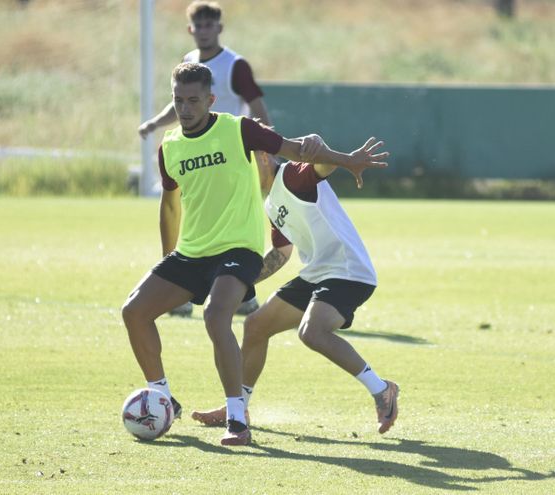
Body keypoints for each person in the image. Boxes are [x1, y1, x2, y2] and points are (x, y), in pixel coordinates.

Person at [121, 62, 388, 446]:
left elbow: (303, 155)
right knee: (146, 313)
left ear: (210, 100)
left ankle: (238, 418)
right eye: (178, 100)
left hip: (291, 260)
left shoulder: (258, 147)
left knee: (241, 319)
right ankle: (165, 397)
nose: (185, 108)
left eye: (193, 100)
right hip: (221, 258)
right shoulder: (175, 149)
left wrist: (347, 159)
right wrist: (175, 263)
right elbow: (276, 250)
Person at [191, 142, 399, 434]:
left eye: (245, 164)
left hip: (349, 270)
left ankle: (382, 390)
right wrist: (239, 281)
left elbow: (321, 166)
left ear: (264, 157)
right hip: (318, 272)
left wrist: (342, 158)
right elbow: (281, 253)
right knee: (255, 326)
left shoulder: (291, 176)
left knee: (311, 332)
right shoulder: (270, 201)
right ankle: (239, 407)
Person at [138, 1, 271, 317]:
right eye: (199, 25)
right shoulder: (188, 63)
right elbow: (180, 105)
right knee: (194, 220)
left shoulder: (235, 65)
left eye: (210, 25)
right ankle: (205, 291)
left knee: (231, 226)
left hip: (230, 157)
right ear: (190, 29)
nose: (204, 31)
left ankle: (239, 291)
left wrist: (264, 146)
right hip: (197, 153)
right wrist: (156, 124)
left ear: (219, 28)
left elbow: (257, 106)